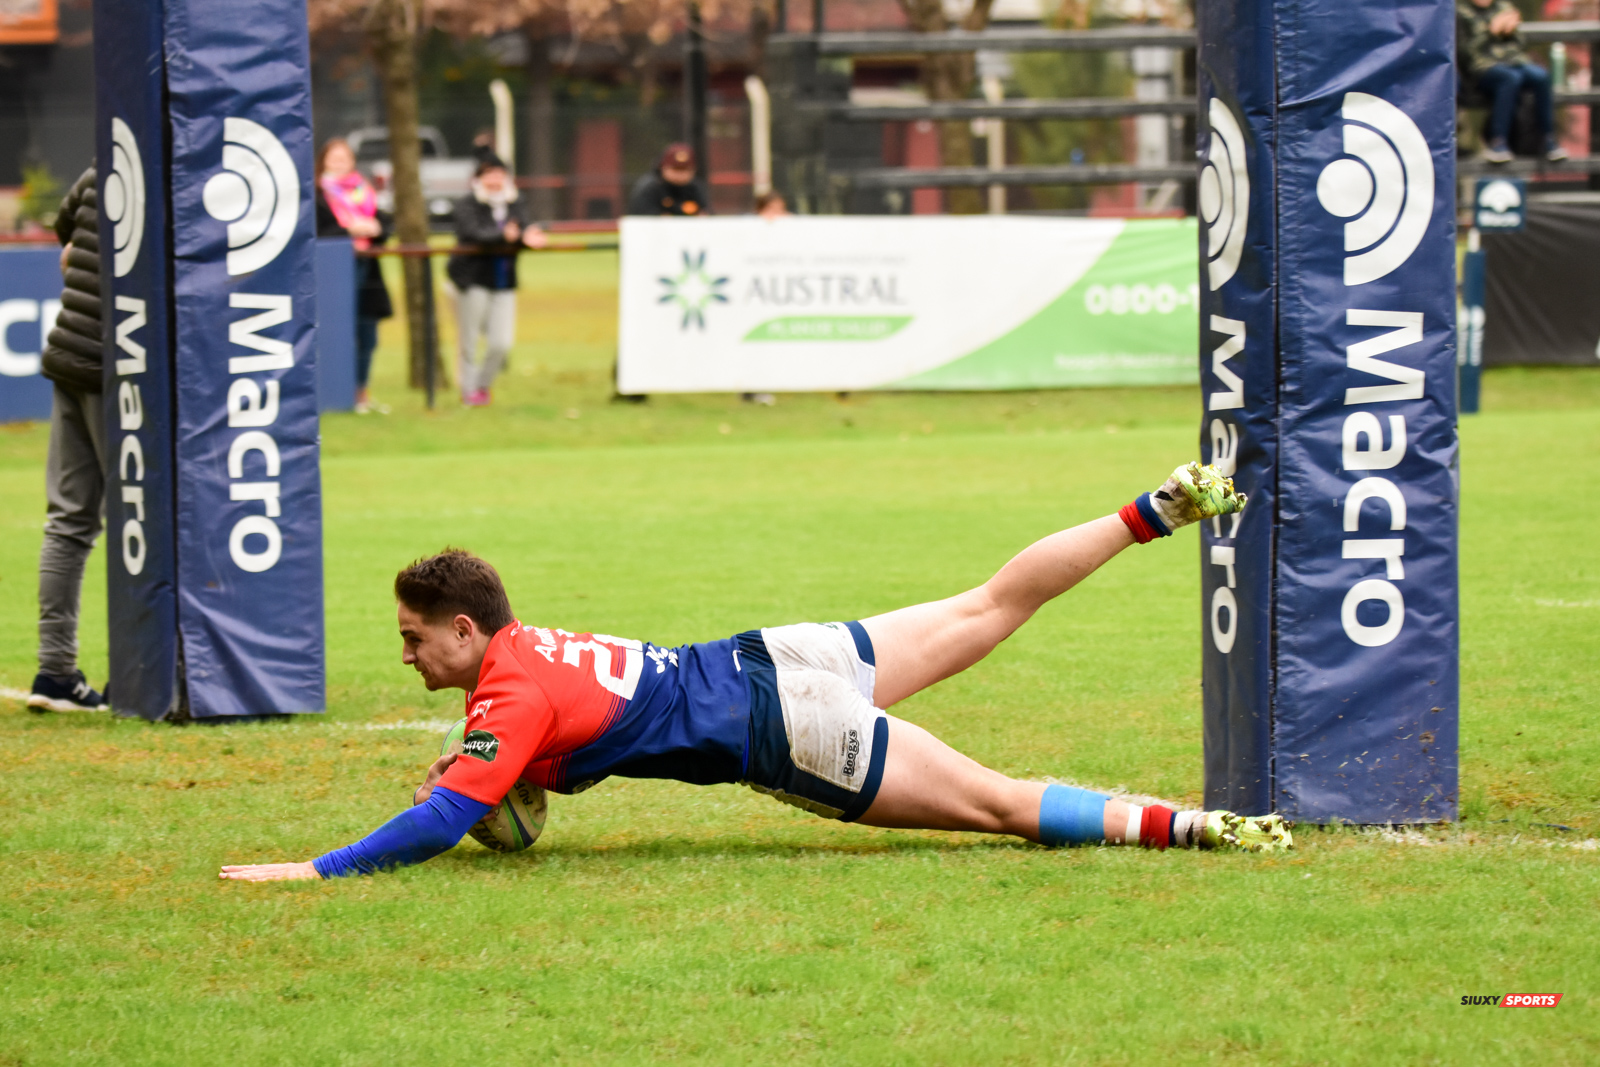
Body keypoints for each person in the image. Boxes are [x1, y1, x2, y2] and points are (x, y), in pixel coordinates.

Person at [219, 462, 1292, 884]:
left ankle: (1200, 828)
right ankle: (1159, 506)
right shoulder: (527, 648)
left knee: (1003, 808)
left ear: (463, 630)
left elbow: (443, 822)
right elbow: (562, 749)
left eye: (413, 635)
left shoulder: (508, 692)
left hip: (789, 728)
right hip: (780, 650)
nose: (404, 653)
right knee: (987, 600)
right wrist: (513, 783)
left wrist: (311, 869)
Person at [27, 166, 109, 713]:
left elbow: (64, 238)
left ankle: (54, 672)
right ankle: (140, 673)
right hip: (117, 367)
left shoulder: (97, 168)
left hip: (68, 355)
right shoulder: (178, 173)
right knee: (141, 521)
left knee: (68, 520)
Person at [446, 157, 546, 407]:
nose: (494, 179)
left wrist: (529, 235)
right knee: (468, 340)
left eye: (499, 174)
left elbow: (522, 228)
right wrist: (503, 235)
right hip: (473, 279)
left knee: (501, 343)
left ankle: (481, 385)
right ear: (479, 178)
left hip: (503, 280)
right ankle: (469, 393)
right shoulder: (468, 204)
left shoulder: (515, 202)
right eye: (489, 174)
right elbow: (471, 233)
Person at [314, 138, 394, 415]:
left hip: (367, 271)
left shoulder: (365, 192)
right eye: (333, 158)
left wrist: (374, 226)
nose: (339, 163)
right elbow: (317, 231)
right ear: (323, 161)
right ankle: (335, 393)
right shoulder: (316, 194)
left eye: (344, 158)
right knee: (336, 332)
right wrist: (350, 230)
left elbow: (385, 224)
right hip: (331, 274)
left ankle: (361, 391)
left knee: (366, 334)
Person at [1458, 0, 1566, 164]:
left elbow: (1520, 44)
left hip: (1514, 62)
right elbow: (1465, 52)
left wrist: (1511, 30)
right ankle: (1498, 141)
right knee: (1510, 79)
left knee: (1541, 77)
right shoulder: (1461, 12)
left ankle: (1548, 139)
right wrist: (1491, 31)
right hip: (1482, 67)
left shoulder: (1503, 8)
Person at [626, 143, 711, 217]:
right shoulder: (650, 188)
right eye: (675, 169)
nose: (680, 174)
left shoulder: (695, 187)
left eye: (685, 170)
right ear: (662, 167)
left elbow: (706, 213)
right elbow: (641, 218)